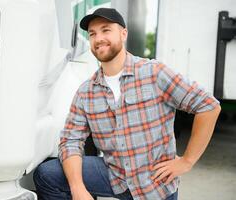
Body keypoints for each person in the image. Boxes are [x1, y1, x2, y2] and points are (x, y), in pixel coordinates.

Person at [33, 8, 221, 200]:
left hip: (155, 186)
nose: (98, 39)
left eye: (106, 30)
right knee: (48, 174)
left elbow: (208, 106)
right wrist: (78, 188)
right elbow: (70, 141)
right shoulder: (86, 92)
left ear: (123, 34)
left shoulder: (154, 73)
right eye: (92, 34)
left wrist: (187, 161)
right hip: (115, 176)